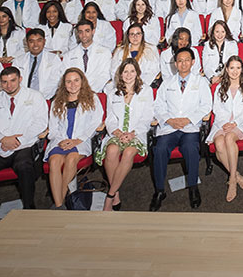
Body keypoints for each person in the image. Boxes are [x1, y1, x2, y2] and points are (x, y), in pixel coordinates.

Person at [0, 67, 48, 217]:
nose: (9, 85)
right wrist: (2, 140)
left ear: (20, 79)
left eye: (13, 81)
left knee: (23, 166)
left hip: (24, 145)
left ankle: (29, 207)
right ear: (1, 83)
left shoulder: (35, 96)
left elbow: (40, 123)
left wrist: (18, 139)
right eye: (5, 82)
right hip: (0, 147)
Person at [151, 47, 212, 211]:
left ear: (193, 62)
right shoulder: (167, 83)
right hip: (169, 127)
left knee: (190, 148)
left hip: (190, 127)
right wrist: (169, 120)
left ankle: (193, 187)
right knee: (160, 149)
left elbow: (206, 105)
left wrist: (187, 120)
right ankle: (159, 190)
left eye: (187, 60)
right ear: (175, 64)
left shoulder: (201, 82)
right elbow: (158, 106)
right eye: (180, 61)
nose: (183, 63)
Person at [99, 59, 153, 211]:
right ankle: (116, 193)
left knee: (129, 152)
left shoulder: (146, 91)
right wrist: (117, 132)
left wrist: (132, 134)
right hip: (117, 133)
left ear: (137, 73)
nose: (129, 75)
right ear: (120, 74)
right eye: (125, 71)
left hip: (136, 133)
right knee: (112, 150)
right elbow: (110, 119)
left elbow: (147, 117)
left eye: (132, 71)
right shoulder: (112, 93)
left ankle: (110, 195)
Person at [44, 68, 102, 209]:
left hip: (81, 141)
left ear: (82, 81)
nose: (73, 84)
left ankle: (60, 202)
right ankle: (59, 205)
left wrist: (77, 140)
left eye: (76, 80)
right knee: (55, 161)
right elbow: (53, 126)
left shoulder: (92, 98)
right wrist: (61, 141)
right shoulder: (57, 100)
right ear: (64, 84)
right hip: (60, 141)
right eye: (68, 81)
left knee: (71, 159)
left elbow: (95, 122)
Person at [207, 56, 243, 203]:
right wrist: (225, 123)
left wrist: (234, 123)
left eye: (238, 68)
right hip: (222, 123)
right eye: (232, 68)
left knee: (228, 138)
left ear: (242, 70)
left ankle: (232, 181)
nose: (235, 71)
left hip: (239, 124)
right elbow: (216, 109)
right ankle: (236, 174)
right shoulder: (220, 87)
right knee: (219, 143)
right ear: (226, 69)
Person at [63, 20, 112, 93]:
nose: (84, 35)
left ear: (93, 31)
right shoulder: (69, 55)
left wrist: (89, 90)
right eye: (80, 32)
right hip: (74, 92)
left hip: (95, 92)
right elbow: (66, 76)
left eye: (87, 31)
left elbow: (105, 75)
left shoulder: (105, 52)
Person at [18, 28, 64, 99]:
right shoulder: (18, 61)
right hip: (23, 98)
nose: (35, 45)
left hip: (47, 98)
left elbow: (55, 82)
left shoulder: (53, 59)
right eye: (31, 41)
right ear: (27, 43)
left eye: (39, 40)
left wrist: (40, 97)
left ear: (44, 41)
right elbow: (15, 82)